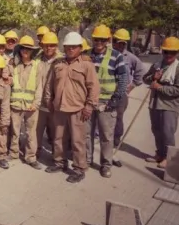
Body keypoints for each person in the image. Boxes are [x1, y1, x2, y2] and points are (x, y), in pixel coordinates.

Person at [44, 32, 100, 184]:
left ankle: (79, 169)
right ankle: (59, 163)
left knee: (78, 141)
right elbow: (50, 84)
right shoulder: (58, 64)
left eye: (73, 47)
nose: (70, 49)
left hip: (77, 109)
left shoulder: (86, 65)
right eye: (68, 47)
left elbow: (93, 87)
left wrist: (89, 106)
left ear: (80, 48)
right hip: (59, 108)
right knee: (58, 138)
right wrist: (49, 100)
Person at [87, 25, 127, 178]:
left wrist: (115, 99)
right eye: (97, 39)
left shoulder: (116, 56)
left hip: (107, 102)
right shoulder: (87, 55)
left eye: (102, 40)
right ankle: (87, 160)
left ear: (108, 40)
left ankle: (105, 165)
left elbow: (123, 79)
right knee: (87, 134)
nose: (99, 42)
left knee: (106, 136)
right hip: (89, 101)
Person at [143, 37, 179, 168]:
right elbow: (145, 79)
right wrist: (153, 77)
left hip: (170, 106)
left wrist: (160, 87)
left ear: (177, 53)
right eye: (166, 51)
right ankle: (160, 154)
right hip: (155, 104)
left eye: (172, 52)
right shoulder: (157, 65)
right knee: (156, 130)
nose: (168, 55)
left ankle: (169, 159)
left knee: (167, 132)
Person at [8, 36, 45, 169]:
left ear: (32, 51)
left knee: (31, 133)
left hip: (31, 105)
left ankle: (30, 157)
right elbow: (9, 82)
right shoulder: (13, 64)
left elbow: (39, 86)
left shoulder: (38, 65)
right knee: (15, 131)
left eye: (28, 49)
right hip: (16, 104)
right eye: (23, 48)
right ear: (20, 50)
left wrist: (36, 103)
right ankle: (13, 153)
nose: (25, 51)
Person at [111, 29, 145, 166]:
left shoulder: (130, 57)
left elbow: (141, 72)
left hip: (121, 94)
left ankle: (116, 141)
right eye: (118, 43)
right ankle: (104, 141)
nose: (121, 46)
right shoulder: (108, 55)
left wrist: (132, 86)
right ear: (114, 42)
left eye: (123, 43)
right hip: (106, 93)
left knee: (118, 118)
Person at [35, 31, 63, 158]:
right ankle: (36, 151)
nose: (48, 48)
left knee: (56, 133)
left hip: (55, 104)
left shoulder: (62, 61)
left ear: (56, 46)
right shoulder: (37, 59)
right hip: (39, 103)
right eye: (46, 45)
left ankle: (57, 158)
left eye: (51, 45)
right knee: (37, 131)